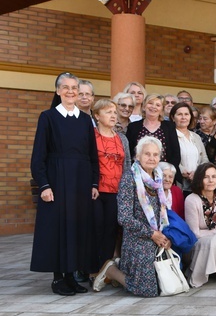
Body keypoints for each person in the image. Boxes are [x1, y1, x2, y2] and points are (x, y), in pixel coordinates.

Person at [31, 72, 99, 296]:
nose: (71, 91)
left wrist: (93, 183)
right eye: (66, 87)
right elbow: (38, 155)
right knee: (58, 228)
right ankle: (58, 278)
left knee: (76, 228)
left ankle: (71, 275)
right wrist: (44, 185)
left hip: (80, 181)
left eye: (74, 88)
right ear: (58, 91)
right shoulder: (48, 117)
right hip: (57, 181)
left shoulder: (85, 120)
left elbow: (92, 155)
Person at [93, 137, 172, 297]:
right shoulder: (130, 179)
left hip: (157, 236)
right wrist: (152, 234)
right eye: (147, 154)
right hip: (137, 239)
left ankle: (125, 269)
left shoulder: (158, 178)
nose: (151, 158)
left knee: (166, 284)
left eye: (155, 154)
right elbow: (124, 217)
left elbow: (162, 214)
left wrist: (163, 236)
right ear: (138, 156)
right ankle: (111, 270)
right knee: (148, 290)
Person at [92, 99, 131, 273]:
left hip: (117, 191)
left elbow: (127, 164)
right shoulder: (90, 136)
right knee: (95, 229)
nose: (113, 115)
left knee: (111, 231)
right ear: (97, 116)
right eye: (108, 112)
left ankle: (105, 270)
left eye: (115, 112)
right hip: (96, 191)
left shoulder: (122, 138)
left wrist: (127, 187)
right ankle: (89, 268)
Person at [125, 93, 182, 183]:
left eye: (158, 105)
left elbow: (175, 154)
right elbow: (129, 152)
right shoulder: (133, 127)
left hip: (164, 175)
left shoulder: (169, 127)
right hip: (138, 175)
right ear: (144, 106)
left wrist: (168, 172)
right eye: (150, 103)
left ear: (161, 109)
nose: (153, 107)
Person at [171, 102, 207, 194]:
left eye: (186, 114)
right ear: (173, 117)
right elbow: (170, 158)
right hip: (179, 183)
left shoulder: (196, 137)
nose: (183, 117)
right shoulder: (170, 136)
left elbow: (204, 159)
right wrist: (182, 170)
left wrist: (197, 173)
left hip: (197, 184)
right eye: (179, 114)